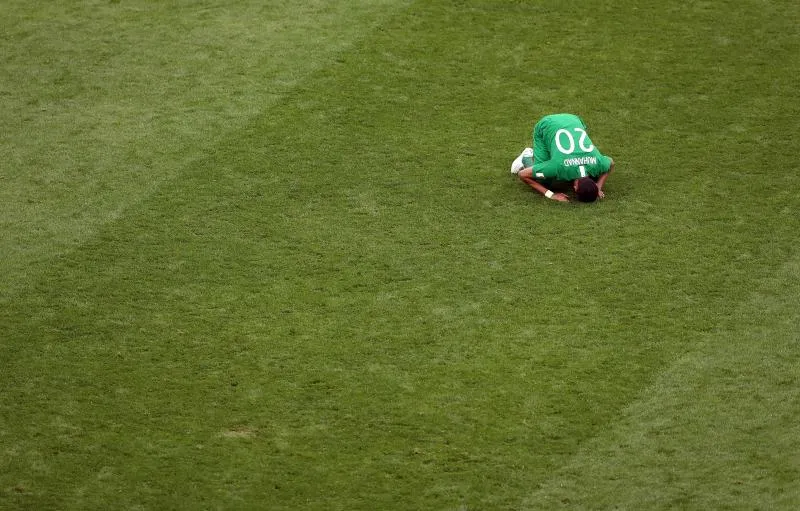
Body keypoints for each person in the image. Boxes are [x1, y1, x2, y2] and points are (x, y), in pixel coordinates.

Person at [510, 113, 614, 202]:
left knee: (593, 173)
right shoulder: (559, 167)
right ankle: (526, 156)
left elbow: (611, 163)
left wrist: (598, 187)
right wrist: (551, 195)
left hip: (574, 119)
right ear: (574, 187)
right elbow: (522, 175)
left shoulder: (597, 164)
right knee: (543, 180)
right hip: (546, 125)